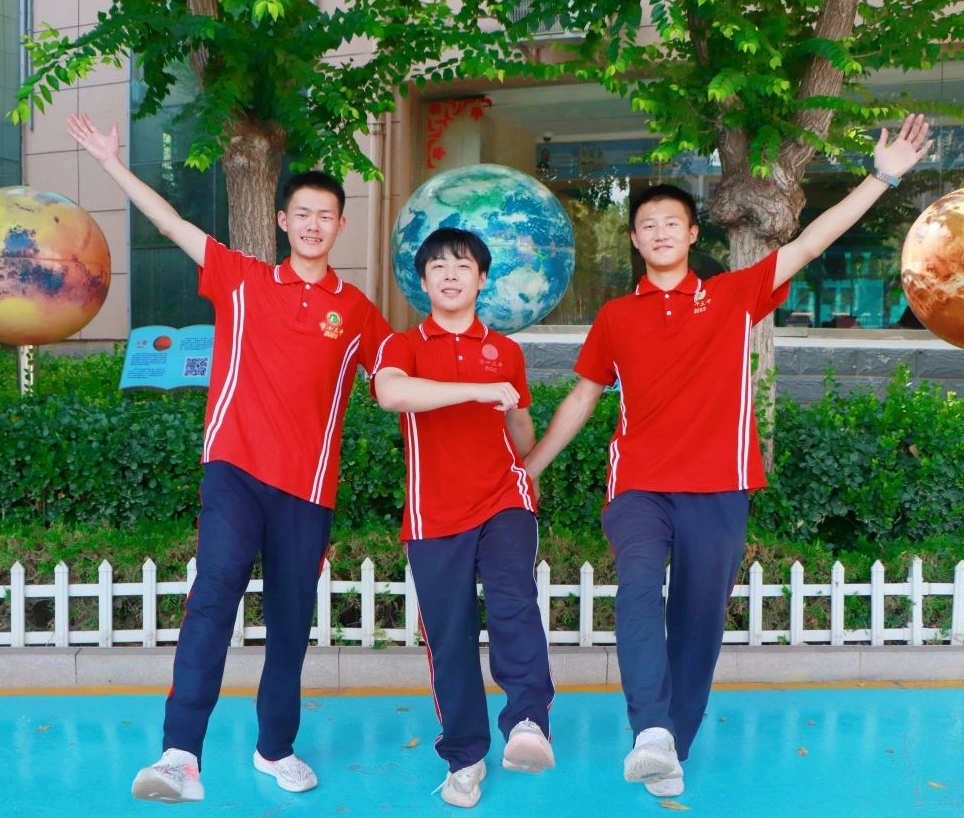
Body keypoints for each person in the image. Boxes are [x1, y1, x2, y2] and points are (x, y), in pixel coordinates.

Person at [523, 115, 934, 798]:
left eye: (671, 222)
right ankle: (650, 730)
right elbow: (583, 398)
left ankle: (671, 748)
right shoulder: (617, 317)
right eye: (647, 224)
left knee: (698, 622)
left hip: (719, 485)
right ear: (635, 239)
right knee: (637, 588)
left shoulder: (730, 297)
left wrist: (882, 177)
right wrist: (529, 467)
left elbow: (809, 243)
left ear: (692, 234)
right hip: (640, 484)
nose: (659, 231)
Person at [66, 114, 393, 803]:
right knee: (213, 597)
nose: (313, 225)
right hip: (235, 471)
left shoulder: (359, 312)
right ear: (282, 221)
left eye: (325, 216)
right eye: (302, 213)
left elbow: (396, 379)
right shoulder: (241, 279)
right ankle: (180, 755)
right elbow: (171, 223)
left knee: (290, 624)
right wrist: (111, 162)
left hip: (307, 488)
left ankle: (275, 749)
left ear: (339, 226)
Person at [372, 227, 555, 809]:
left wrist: (528, 470)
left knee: (513, 601)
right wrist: (475, 390)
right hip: (434, 513)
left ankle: (527, 720)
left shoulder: (506, 351)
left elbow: (518, 419)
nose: (451, 275)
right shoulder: (402, 345)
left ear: (482, 279)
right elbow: (392, 395)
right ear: (422, 282)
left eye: (463, 266)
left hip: (503, 497)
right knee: (449, 638)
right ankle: (465, 757)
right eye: (439, 267)